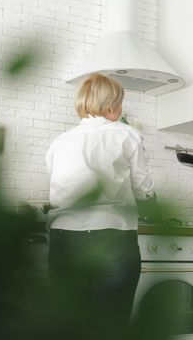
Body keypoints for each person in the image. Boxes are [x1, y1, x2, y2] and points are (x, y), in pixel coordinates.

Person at [45, 73, 155, 339]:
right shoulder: (128, 135)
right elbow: (143, 187)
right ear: (110, 106)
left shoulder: (59, 142)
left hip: (64, 239)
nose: (121, 108)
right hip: (112, 238)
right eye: (120, 103)